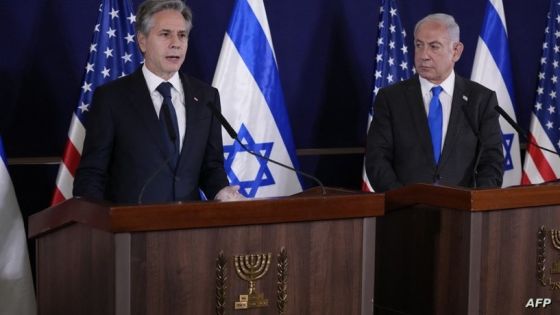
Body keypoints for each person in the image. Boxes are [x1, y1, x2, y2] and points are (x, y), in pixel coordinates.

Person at [73, 0, 242, 203]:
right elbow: (92, 173)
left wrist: (222, 192)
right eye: (165, 34)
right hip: (130, 228)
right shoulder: (111, 98)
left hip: (191, 227)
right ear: (142, 41)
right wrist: (95, 221)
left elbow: (211, 167)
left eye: (182, 35)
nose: (176, 43)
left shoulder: (206, 97)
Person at [365, 13, 504, 192]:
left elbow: (492, 161)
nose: (424, 55)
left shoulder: (480, 100)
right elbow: (377, 160)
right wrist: (402, 200)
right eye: (419, 45)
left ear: (456, 51)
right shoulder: (391, 99)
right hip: (404, 212)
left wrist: (477, 204)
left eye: (434, 47)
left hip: (464, 213)